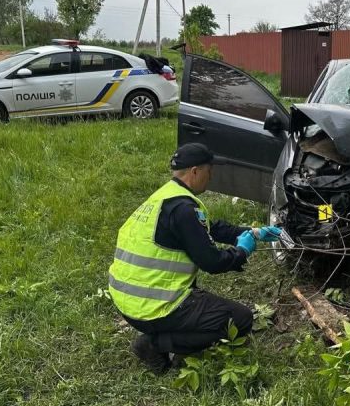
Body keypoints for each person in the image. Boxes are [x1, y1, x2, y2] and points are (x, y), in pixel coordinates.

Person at [108, 143, 282, 374]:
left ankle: (164, 329)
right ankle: (154, 344)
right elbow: (212, 262)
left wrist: (254, 232)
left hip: (127, 300)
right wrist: (242, 252)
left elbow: (210, 229)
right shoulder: (183, 208)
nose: (211, 177)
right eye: (209, 171)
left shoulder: (166, 198)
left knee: (214, 308)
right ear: (195, 171)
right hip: (153, 307)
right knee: (241, 319)